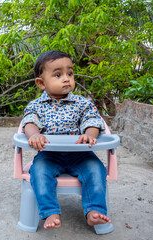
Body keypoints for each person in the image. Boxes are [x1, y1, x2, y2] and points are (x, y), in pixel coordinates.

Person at [22, 50, 111, 229]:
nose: (66, 78)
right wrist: (34, 135)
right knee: (38, 172)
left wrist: (90, 134)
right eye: (58, 74)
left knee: (96, 169)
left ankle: (94, 211)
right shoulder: (36, 106)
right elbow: (29, 122)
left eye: (70, 73)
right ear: (41, 83)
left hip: (81, 154)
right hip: (49, 155)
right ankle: (50, 213)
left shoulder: (82, 103)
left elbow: (92, 119)